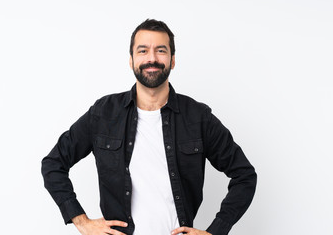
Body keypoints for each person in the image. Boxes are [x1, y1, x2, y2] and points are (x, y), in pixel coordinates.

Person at [41, 19, 257, 235]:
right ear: (131, 60)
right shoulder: (104, 113)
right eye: (143, 50)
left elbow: (244, 175)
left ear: (172, 60)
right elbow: (53, 164)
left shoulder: (198, 117)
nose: (152, 58)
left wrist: (216, 231)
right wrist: (81, 221)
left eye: (161, 50)